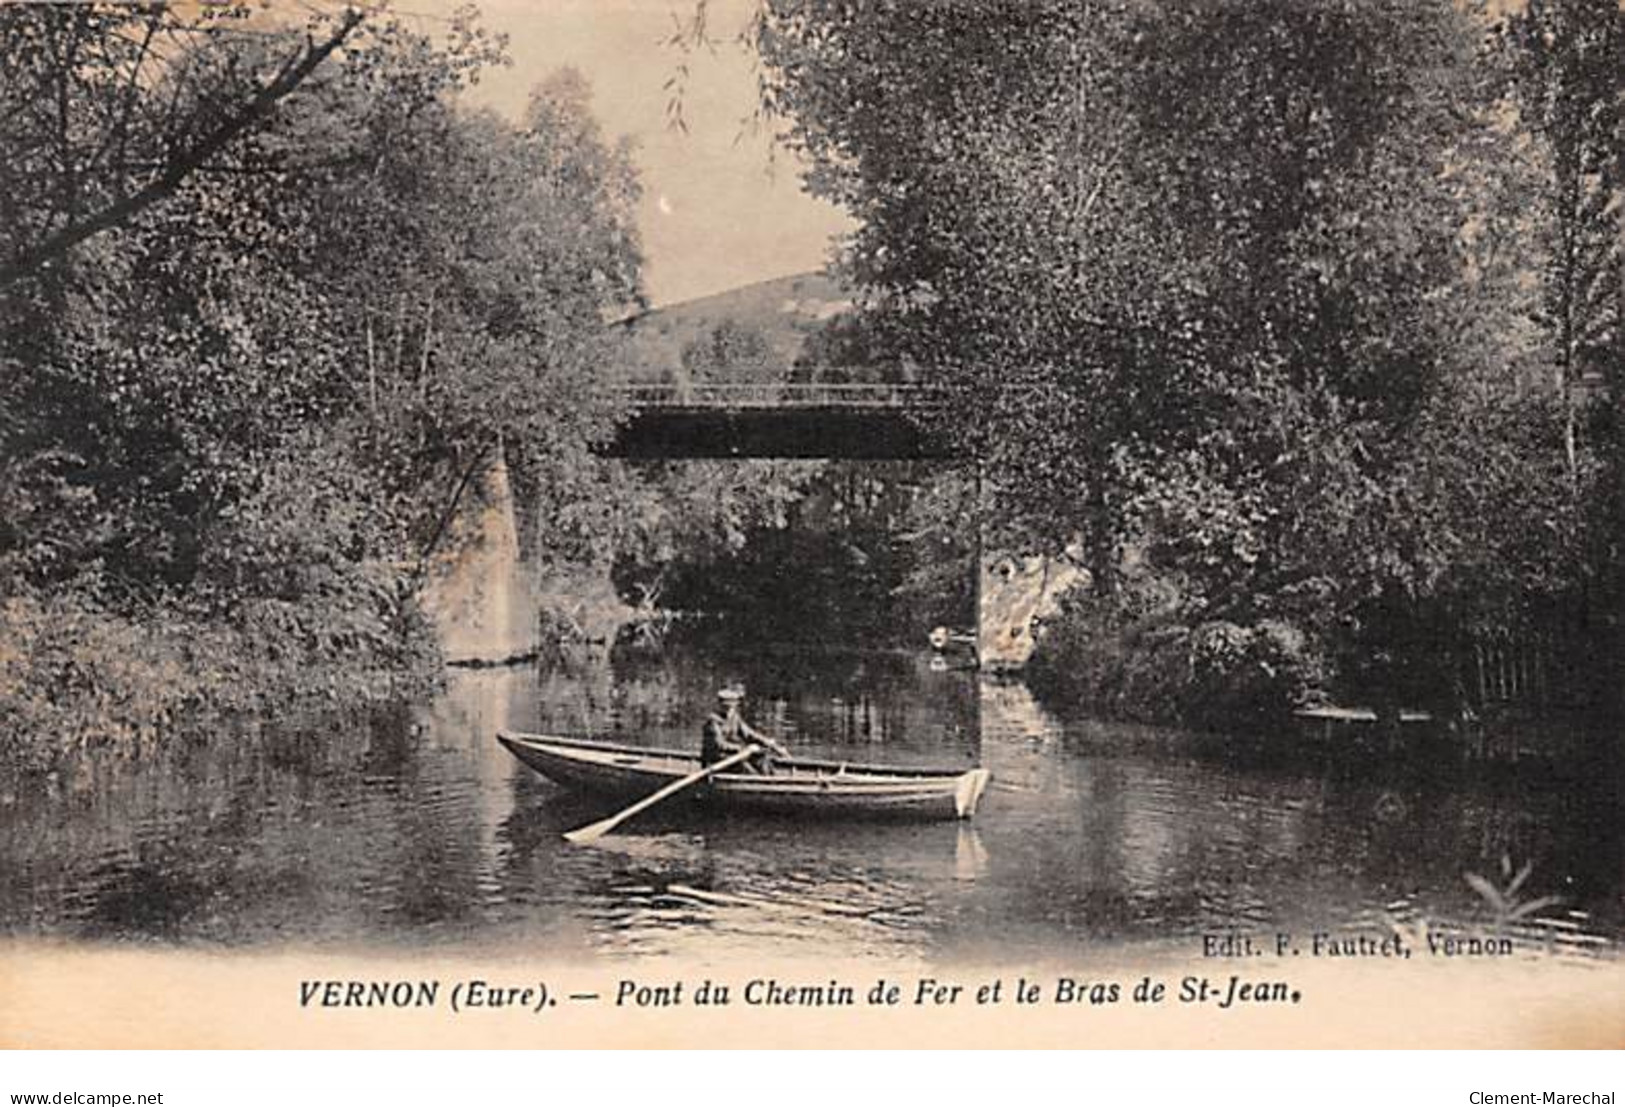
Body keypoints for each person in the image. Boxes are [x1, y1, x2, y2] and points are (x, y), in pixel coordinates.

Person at [700, 687, 789, 774]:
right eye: (726, 707)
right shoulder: (713, 722)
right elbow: (720, 745)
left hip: (733, 755)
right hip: (716, 760)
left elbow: (749, 734)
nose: (729, 710)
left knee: (762, 760)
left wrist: (771, 745)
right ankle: (756, 783)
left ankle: (771, 781)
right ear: (720, 706)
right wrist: (743, 748)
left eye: (731, 707)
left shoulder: (735, 718)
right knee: (745, 767)